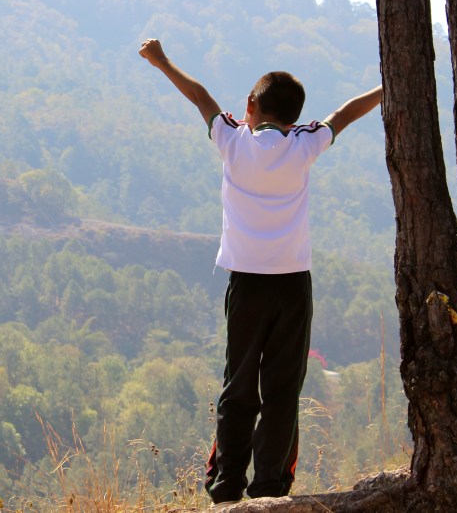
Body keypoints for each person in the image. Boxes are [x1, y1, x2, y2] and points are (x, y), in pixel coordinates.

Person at [138, 38, 383, 506]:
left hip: (246, 283)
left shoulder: (231, 141)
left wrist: (161, 61)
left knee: (239, 382)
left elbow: (202, 99)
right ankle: (270, 485)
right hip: (293, 285)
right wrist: (387, 87)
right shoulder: (305, 144)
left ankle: (227, 483)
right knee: (283, 387)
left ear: (250, 105)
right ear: (294, 115)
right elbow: (346, 114)